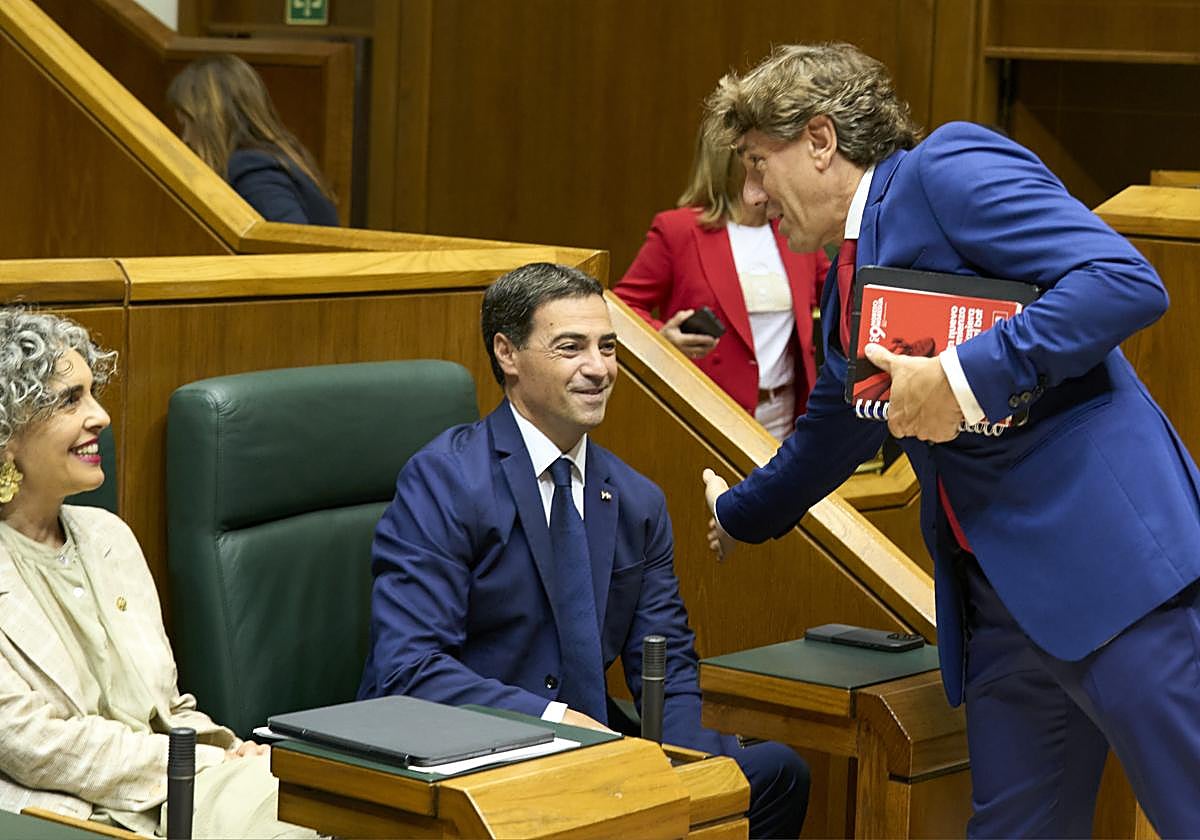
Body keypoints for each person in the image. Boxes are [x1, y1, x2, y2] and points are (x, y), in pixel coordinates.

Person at [700, 43, 1200, 838]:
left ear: (822, 140)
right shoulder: (844, 277)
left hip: (1114, 577)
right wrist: (742, 511)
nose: (754, 196)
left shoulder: (946, 170)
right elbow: (837, 421)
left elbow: (1122, 282)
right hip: (997, 606)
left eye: (760, 163)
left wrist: (962, 380)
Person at [358, 262, 809, 838]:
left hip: (598, 760)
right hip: (475, 762)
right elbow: (410, 668)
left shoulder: (635, 500)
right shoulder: (446, 481)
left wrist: (696, 775)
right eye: (571, 347)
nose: (599, 369)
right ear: (508, 353)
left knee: (774, 776)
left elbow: (667, 670)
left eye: (608, 347)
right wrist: (554, 724)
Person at [0, 310, 312, 838]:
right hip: (76, 815)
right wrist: (195, 765)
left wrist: (229, 748)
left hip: (181, 787)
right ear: (6, 435)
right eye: (69, 399)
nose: (100, 416)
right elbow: (33, 745)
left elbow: (166, 707)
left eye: (93, 393)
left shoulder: (108, 537)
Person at [614, 126, 830, 439]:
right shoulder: (678, 231)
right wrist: (663, 338)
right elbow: (622, 309)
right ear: (733, 160)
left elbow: (842, 291)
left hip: (786, 417)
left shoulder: (795, 231)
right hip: (710, 416)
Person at [167, 54, 339, 226]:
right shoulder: (281, 155)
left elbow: (291, 242)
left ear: (213, 121)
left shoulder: (252, 169)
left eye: (188, 124)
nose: (185, 138)